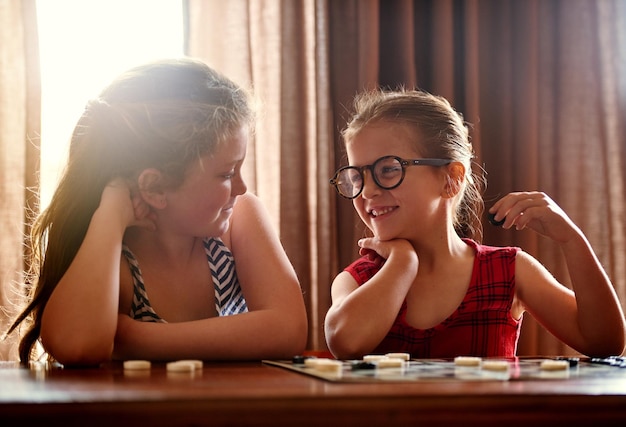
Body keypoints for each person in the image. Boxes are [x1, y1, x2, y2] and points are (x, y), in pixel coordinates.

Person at [6, 58, 307, 366]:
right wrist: (111, 212)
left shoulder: (241, 220)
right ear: (155, 188)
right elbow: (77, 346)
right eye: (227, 173)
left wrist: (135, 340)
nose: (242, 187)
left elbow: (289, 330)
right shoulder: (116, 258)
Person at [324, 88, 625, 360]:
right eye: (357, 177)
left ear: (451, 179)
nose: (368, 190)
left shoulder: (508, 270)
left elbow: (604, 343)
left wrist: (572, 240)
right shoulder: (358, 280)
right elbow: (345, 343)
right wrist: (402, 263)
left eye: (387, 169)